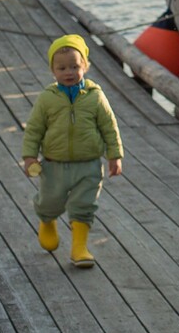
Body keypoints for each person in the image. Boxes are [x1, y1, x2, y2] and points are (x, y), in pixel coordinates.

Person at [22, 34, 123, 268]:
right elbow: (34, 129)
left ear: (85, 66)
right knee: (50, 201)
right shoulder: (47, 99)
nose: (69, 72)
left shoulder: (96, 96)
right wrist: (29, 156)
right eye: (62, 68)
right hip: (53, 163)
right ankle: (47, 221)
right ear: (53, 71)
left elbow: (109, 126)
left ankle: (79, 248)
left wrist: (114, 155)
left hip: (89, 164)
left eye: (75, 66)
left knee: (84, 205)